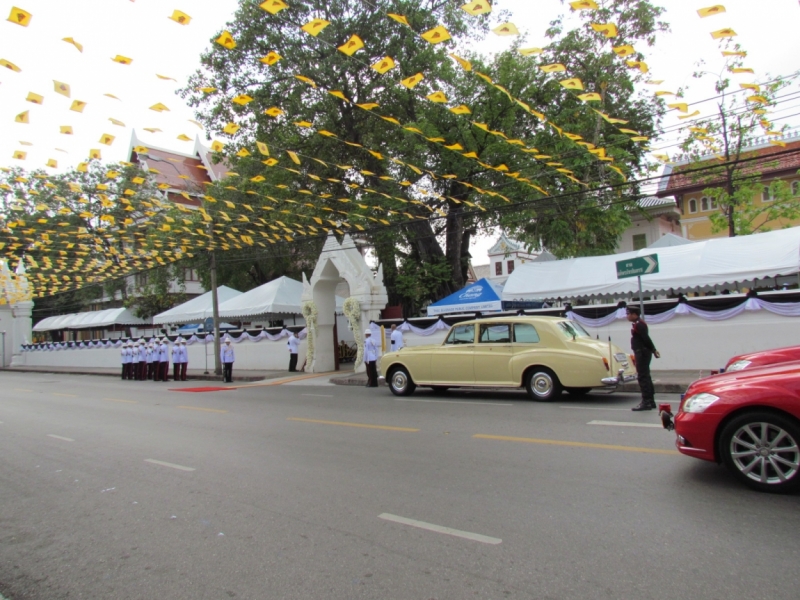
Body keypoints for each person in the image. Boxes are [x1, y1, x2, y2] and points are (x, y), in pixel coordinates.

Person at [627, 305, 660, 411]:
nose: (627, 316)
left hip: (642, 353)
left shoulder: (639, 325)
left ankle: (646, 401)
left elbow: (646, 339)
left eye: (629, 314)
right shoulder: (638, 324)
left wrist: (654, 349)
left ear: (634, 314)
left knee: (642, 377)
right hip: (642, 352)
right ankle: (650, 401)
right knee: (646, 376)